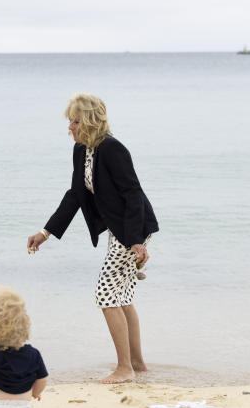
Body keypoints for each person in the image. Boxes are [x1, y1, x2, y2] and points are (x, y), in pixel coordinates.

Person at [26, 93, 158, 384]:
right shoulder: (83, 151)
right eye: (69, 122)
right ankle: (136, 364)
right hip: (119, 230)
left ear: (88, 121)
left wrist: (136, 240)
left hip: (131, 230)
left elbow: (133, 194)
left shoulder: (113, 149)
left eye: (74, 121)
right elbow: (75, 194)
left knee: (105, 293)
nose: (69, 127)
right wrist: (45, 233)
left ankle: (124, 368)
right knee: (121, 295)